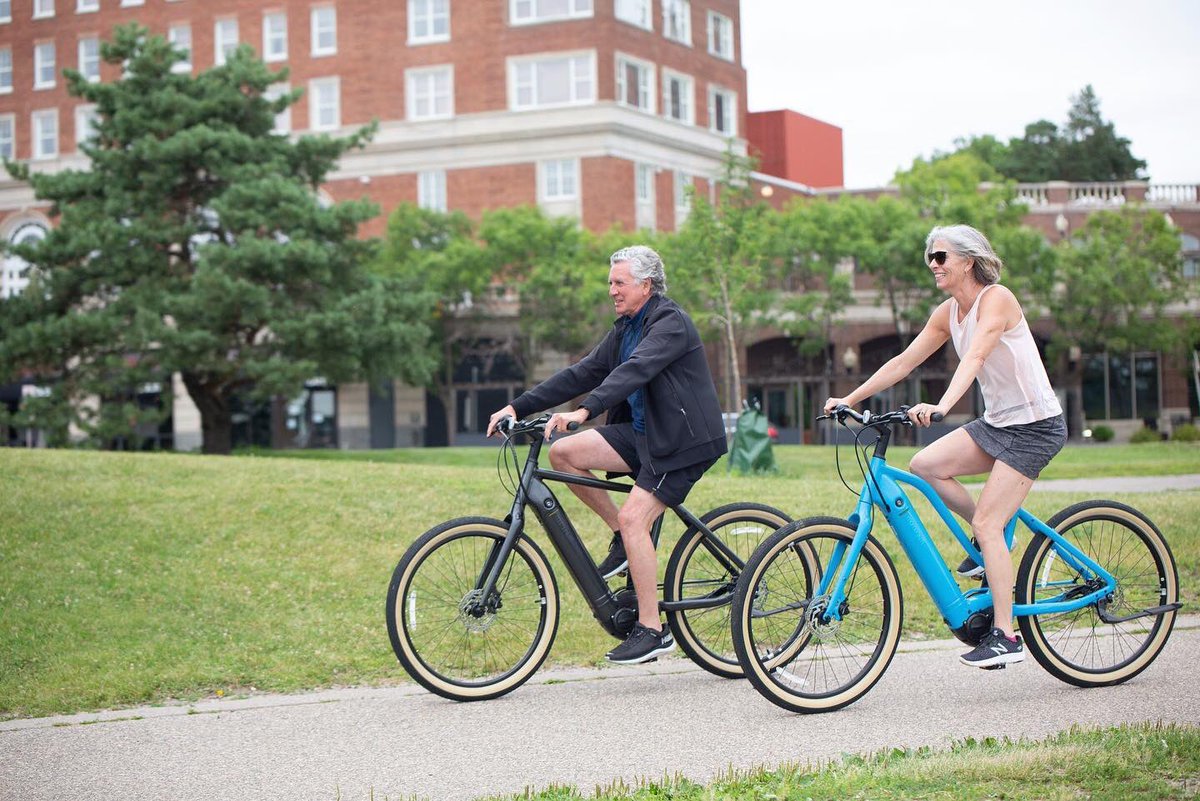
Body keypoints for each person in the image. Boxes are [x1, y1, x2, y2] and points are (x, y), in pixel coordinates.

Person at [824, 224, 1066, 669]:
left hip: (1035, 426)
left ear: (968, 261)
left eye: (940, 257)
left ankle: (1007, 636)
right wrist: (850, 398)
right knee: (925, 464)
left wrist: (941, 406)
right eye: (929, 258)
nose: (932, 265)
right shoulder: (947, 312)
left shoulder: (998, 300)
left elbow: (974, 356)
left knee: (993, 525)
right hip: (998, 424)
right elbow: (903, 361)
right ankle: (985, 536)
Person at [486, 245, 727, 665]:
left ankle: (652, 630)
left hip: (681, 443)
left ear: (645, 285)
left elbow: (636, 370)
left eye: (619, 283)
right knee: (564, 453)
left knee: (639, 517)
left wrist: (585, 409)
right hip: (644, 436)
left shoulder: (669, 323)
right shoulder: (625, 327)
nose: (612, 290)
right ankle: (621, 533)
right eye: (610, 283)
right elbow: (582, 372)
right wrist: (517, 406)